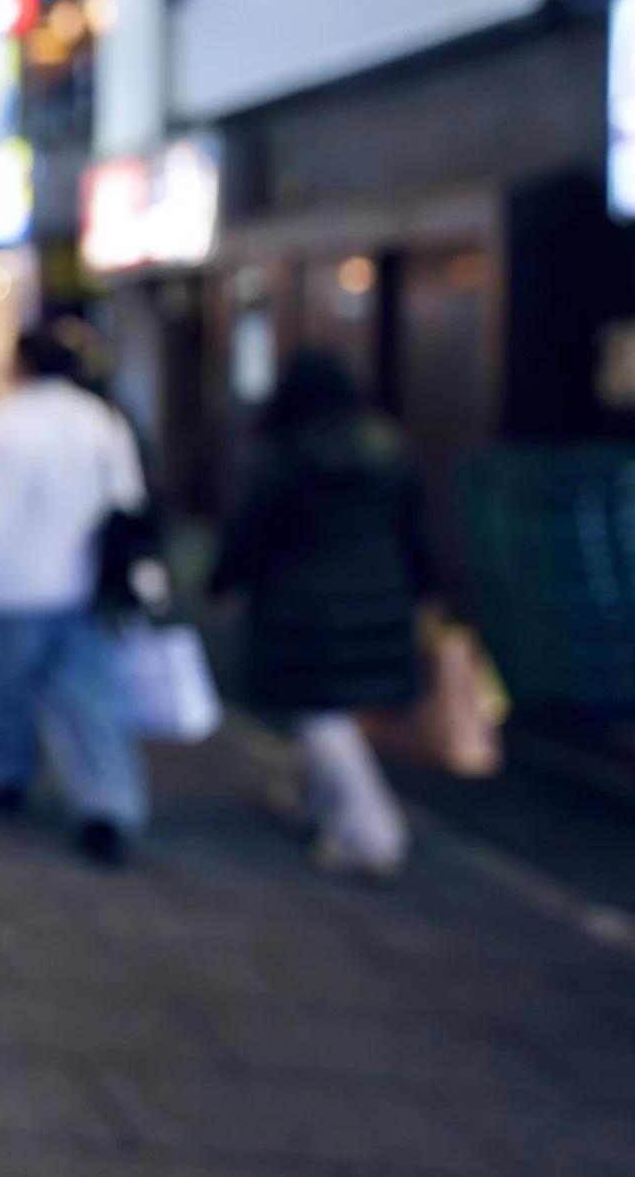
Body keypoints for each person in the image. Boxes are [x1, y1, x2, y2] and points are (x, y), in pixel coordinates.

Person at [0, 326, 148, 867]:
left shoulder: (0, 427)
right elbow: (130, 507)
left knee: (6, 691)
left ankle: (1, 777)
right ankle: (107, 803)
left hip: (16, 588)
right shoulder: (101, 422)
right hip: (86, 586)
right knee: (90, 700)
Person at [210, 349, 430, 881]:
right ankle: (304, 801)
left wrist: (222, 581)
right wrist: (427, 588)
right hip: (382, 594)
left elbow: (254, 532)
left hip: (303, 603)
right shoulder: (389, 448)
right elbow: (414, 529)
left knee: (320, 714)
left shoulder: (286, 455)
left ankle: (370, 834)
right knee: (336, 712)